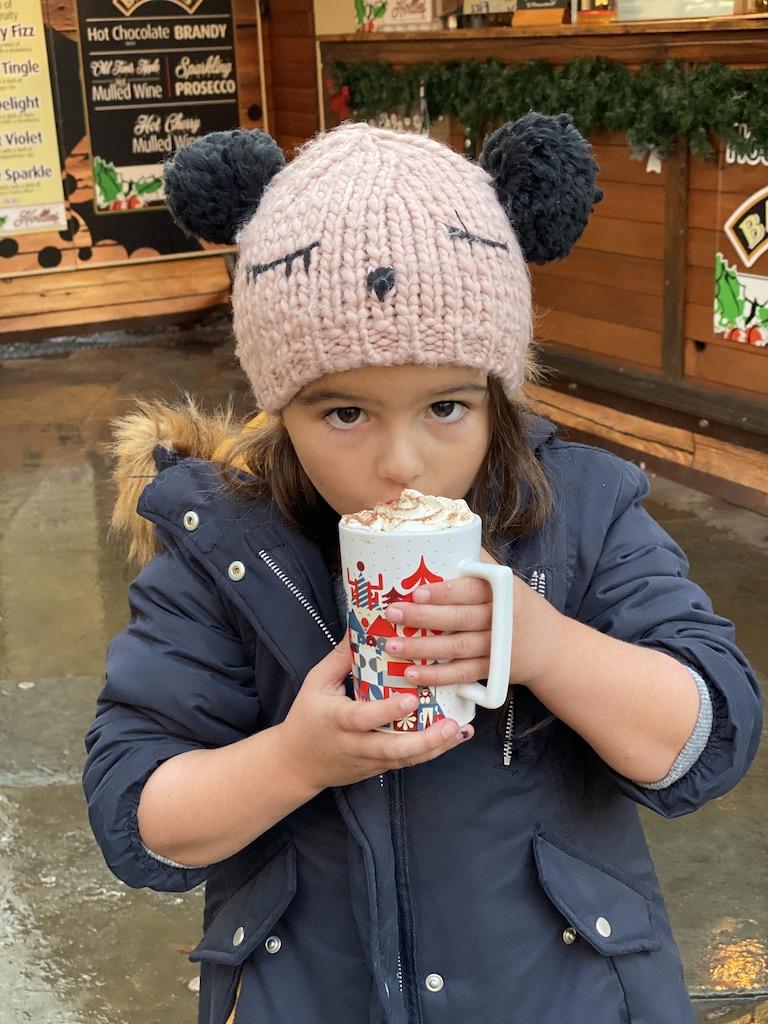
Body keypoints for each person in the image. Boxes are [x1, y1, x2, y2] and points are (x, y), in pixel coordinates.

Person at [82, 116, 762, 1024]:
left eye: (446, 405)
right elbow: (137, 818)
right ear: (282, 405)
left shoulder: (585, 513)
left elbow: (708, 742)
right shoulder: (221, 548)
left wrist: (550, 648)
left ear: (497, 394)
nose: (401, 463)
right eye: (344, 413)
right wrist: (297, 757)